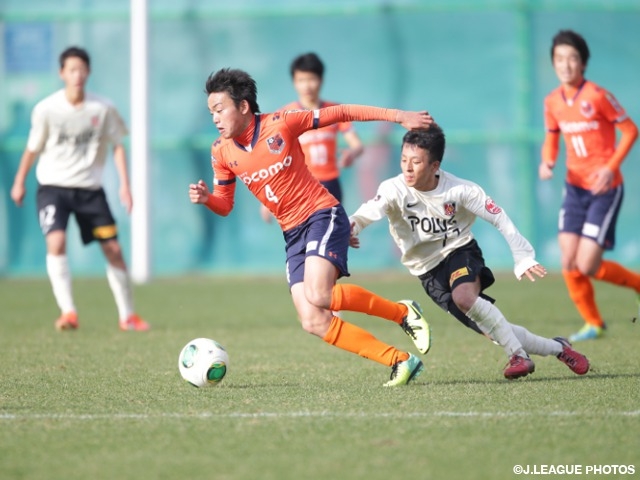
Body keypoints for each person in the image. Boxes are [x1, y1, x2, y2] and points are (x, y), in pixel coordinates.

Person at [189, 68, 433, 386]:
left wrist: (398, 115)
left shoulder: (282, 123)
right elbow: (225, 204)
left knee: (320, 293)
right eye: (211, 113)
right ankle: (399, 360)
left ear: (244, 106)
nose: (215, 119)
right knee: (312, 320)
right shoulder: (221, 152)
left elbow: (342, 112)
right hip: (291, 234)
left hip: (321, 214)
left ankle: (402, 313)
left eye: (220, 109)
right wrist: (208, 198)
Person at [349, 127, 590, 379]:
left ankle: (518, 356)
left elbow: (500, 218)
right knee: (496, 332)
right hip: (426, 271)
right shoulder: (393, 189)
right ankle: (559, 348)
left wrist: (522, 256)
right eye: (403, 160)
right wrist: (352, 227)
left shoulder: (460, 190)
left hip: (459, 251)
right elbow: (366, 212)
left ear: (434, 166)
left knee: (464, 297)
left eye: (416, 162)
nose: (408, 168)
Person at [10, 46, 149, 332]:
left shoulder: (103, 108)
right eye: (71, 69)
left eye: (81, 69)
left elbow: (117, 146)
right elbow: (32, 148)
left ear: (88, 72)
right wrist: (19, 181)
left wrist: (125, 184)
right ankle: (68, 312)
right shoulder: (47, 109)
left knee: (113, 249)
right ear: (62, 73)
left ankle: (128, 316)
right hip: (53, 188)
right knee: (56, 242)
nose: (77, 75)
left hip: (89, 191)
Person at [539, 30, 640, 342]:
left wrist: (610, 169)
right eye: (559, 59)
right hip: (574, 188)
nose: (566, 65)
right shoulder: (553, 101)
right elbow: (552, 137)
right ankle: (593, 323)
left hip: (603, 189)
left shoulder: (597, 95)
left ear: (582, 63)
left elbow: (630, 130)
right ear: (553, 64)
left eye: (572, 58)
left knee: (588, 264)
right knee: (568, 261)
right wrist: (548, 161)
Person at [259, 53, 363, 223]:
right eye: (301, 80)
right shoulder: (284, 115)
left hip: (329, 186)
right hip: (299, 186)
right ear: (294, 82)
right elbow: (272, 158)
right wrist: (268, 196)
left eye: (311, 79)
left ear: (321, 80)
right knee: (303, 241)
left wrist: (352, 153)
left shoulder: (334, 111)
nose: (307, 86)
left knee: (330, 240)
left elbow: (357, 145)